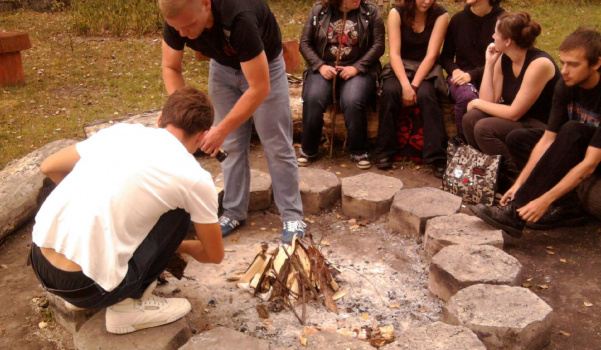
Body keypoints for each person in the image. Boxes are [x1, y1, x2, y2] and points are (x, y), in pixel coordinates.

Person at [30, 87, 225, 334]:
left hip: (40, 261)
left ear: (159, 119)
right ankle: (128, 307)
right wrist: (178, 246)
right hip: (85, 286)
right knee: (180, 213)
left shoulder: (120, 132)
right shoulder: (194, 178)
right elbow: (214, 255)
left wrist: (88, 201)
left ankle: (81, 283)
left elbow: (49, 167)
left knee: (61, 183)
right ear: (202, 137)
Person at [159, 0, 306, 243]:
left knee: (276, 144)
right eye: (178, 29)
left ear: (206, 5)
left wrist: (221, 129)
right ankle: (234, 212)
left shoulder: (239, 16)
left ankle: (292, 215)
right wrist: (177, 113)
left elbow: (259, 87)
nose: (183, 33)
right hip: (222, 66)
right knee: (231, 146)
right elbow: (171, 67)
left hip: (264, 67)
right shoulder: (178, 19)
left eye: (188, 26)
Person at [471, 28, 601, 237]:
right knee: (518, 139)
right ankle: (568, 208)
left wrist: (544, 200)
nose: (565, 70)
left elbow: (590, 164)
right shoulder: (566, 84)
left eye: (573, 64)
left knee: (572, 129)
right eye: (563, 62)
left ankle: (515, 215)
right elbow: (547, 140)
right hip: (584, 146)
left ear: (596, 63)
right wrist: (521, 185)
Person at [462, 11, 560, 190]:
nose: (492, 36)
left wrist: (475, 102)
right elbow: (488, 99)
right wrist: (490, 64)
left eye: (496, 33)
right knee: (471, 119)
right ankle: (489, 176)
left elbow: (514, 113)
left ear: (508, 41)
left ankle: (517, 181)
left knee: (484, 128)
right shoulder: (504, 57)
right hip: (521, 121)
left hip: (544, 126)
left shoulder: (539, 64)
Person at [298, 0, 385, 170]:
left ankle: (359, 150)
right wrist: (320, 66)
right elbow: (304, 43)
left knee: (353, 100)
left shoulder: (370, 11)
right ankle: (309, 149)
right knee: (313, 98)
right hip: (324, 68)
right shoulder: (319, 10)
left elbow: (379, 45)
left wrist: (357, 68)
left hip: (359, 68)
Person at [374, 0, 449, 177]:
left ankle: (437, 155)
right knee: (391, 91)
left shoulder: (441, 15)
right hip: (400, 66)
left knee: (426, 94)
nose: (427, 1)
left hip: (426, 69)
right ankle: (384, 151)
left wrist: (414, 85)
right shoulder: (396, 13)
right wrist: (405, 85)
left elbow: (432, 55)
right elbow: (394, 54)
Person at [439, 0, 505, 139]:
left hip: (494, 76)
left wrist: (472, 75)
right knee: (467, 96)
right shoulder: (458, 20)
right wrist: (455, 71)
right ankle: (464, 144)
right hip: (460, 78)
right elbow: (446, 57)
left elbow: (503, 58)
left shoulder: (503, 21)